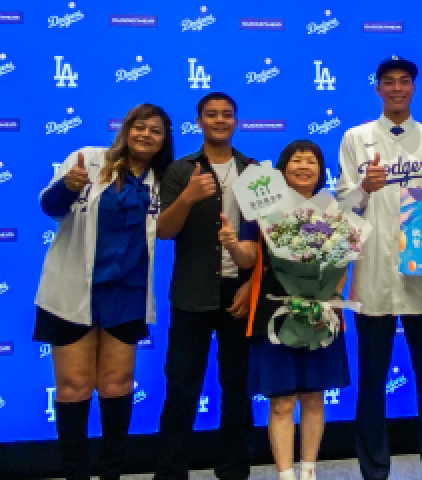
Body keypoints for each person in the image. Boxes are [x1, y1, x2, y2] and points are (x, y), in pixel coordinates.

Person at [34, 103, 173, 480]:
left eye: (155, 131)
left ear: (164, 140)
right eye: (139, 127)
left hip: (126, 294)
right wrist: (67, 186)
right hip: (72, 290)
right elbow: (50, 207)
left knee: (117, 385)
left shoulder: (163, 181)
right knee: (73, 387)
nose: (146, 135)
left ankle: (111, 473)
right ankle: (76, 474)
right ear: (126, 130)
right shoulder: (89, 160)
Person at [335, 56, 422, 480]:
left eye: (405, 81)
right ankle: (374, 472)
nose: (398, 88)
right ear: (378, 89)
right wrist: (362, 189)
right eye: (390, 82)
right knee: (371, 382)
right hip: (372, 277)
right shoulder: (356, 138)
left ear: (414, 88)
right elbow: (342, 206)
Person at [154, 92, 257, 480]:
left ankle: (234, 470)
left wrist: (251, 285)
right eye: (211, 115)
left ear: (236, 121)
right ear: (199, 122)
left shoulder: (254, 170)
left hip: (240, 294)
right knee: (181, 387)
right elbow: (164, 231)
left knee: (238, 387)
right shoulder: (180, 170)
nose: (219, 120)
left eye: (226, 114)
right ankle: (170, 472)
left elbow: (267, 237)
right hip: (192, 293)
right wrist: (187, 197)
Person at [240, 140, 351, 480]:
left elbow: (342, 264)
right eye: (297, 160)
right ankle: (286, 474)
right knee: (282, 402)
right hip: (275, 314)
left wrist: (328, 300)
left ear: (321, 170)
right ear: (283, 168)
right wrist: (231, 244)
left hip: (320, 314)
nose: (304, 167)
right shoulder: (263, 209)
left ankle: (309, 471)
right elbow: (248, 256)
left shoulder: (333, 210)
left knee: (314, 398)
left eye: (311, 161)